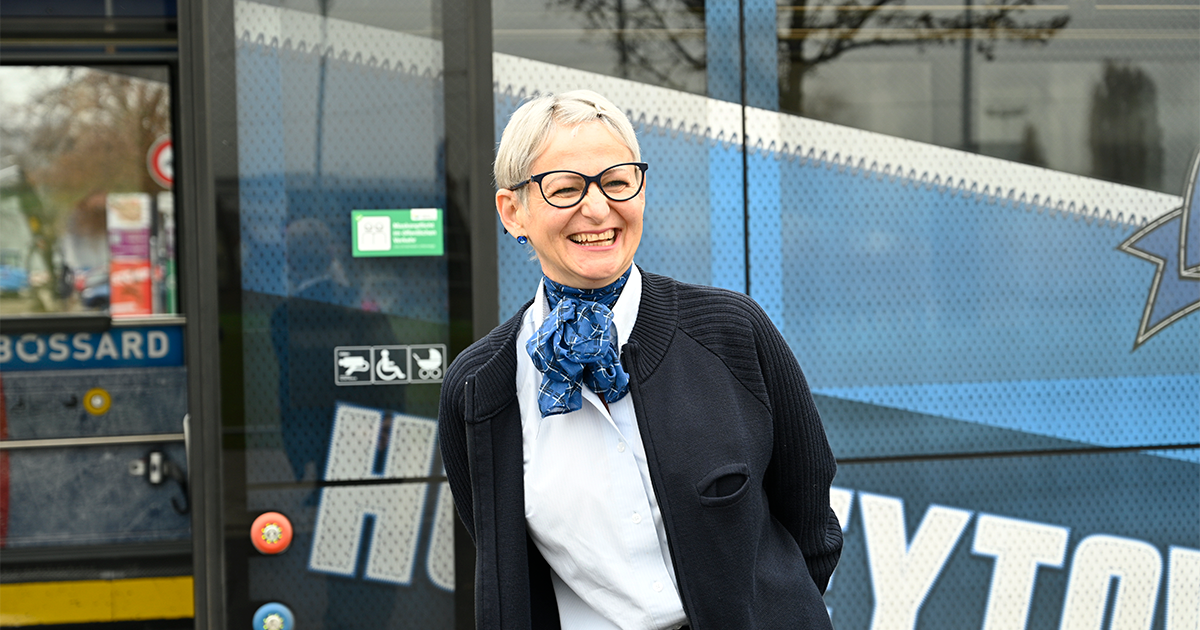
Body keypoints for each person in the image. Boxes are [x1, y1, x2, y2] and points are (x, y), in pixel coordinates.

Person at [438, 90, 841, 629]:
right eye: (565, 188)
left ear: (641, 190)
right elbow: (507, 569)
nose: (597, 208)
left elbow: (811, 524)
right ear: (514, 212)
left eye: (617, 181)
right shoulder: (479, 386)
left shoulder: (732, 331)